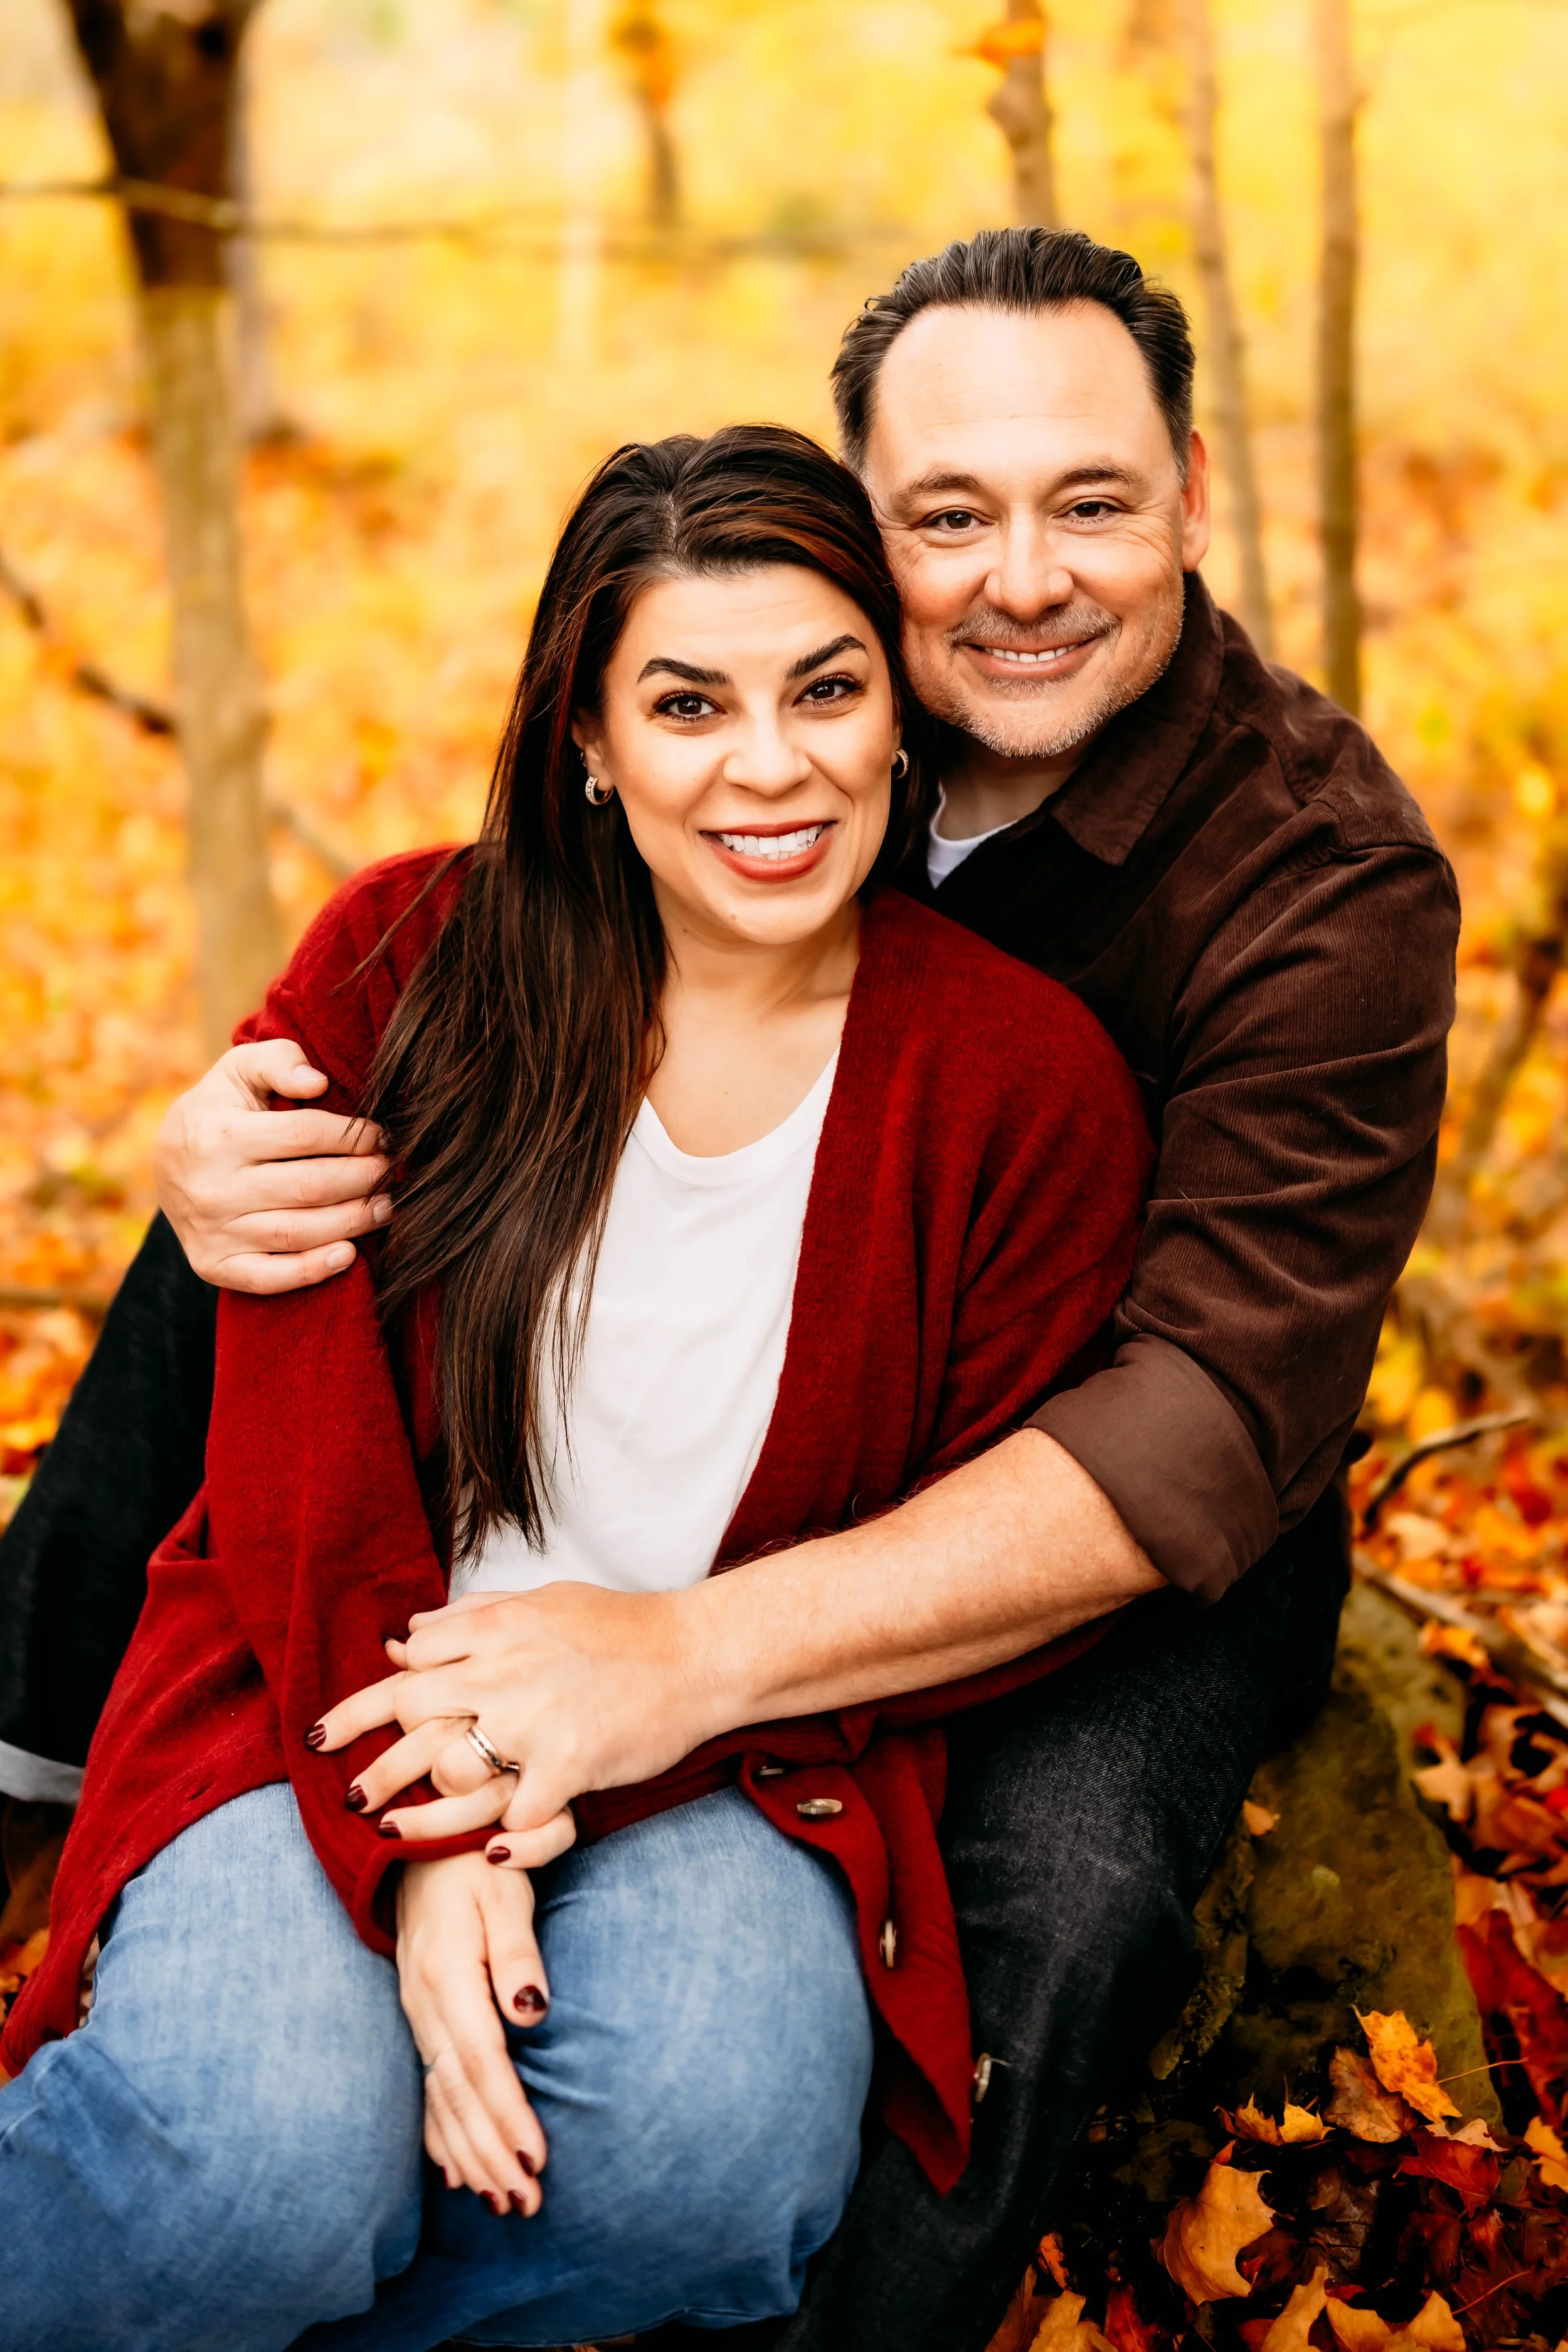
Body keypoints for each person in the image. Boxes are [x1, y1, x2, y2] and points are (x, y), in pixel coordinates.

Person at [0, 228, 1459, 2351]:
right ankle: (41, 1760)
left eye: (1093, 500)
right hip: (457, 1587)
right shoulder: (529, 887)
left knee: (999, 1958)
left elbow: (1193, 1420)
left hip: (1107, 1496)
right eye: (948, 516)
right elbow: (378, 1233)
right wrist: (434, 1802)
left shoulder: (1303, 886)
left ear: (1194, 499)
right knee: (272, 1180)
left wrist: (672, 1668)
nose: (1021, 576)